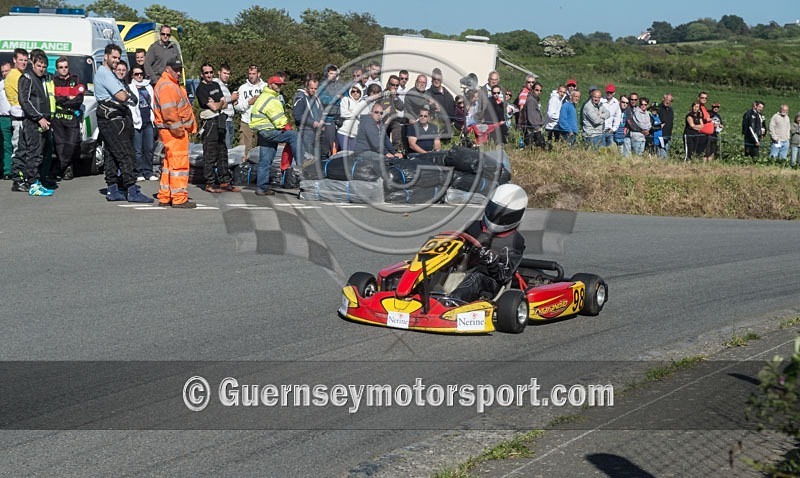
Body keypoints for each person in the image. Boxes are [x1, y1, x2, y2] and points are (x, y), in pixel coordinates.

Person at [450, 183, 527, 303]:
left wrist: (491, 260)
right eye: (495, 211)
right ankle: (415, 295)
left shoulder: (515, 241)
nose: (497, 218)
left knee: (477, 277)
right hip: (463, 272)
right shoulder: (474, 227)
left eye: (504, 215)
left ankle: (450, 303)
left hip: (490, 282)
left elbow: (504, 276)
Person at [95, 48, 151, 203]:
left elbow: (128, 96)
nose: (116, 60)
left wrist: (126, 96)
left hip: (113, 117)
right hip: (112, 118)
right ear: (106, 56)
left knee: (112, 155)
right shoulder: (105, 73)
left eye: (118, 58)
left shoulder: (109, 73)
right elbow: (122, 95)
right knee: (126, 154)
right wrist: (126, 95)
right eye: (114, 57)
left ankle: (113, 189)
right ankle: (132, 190)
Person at [153, 58, 197, 208]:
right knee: (179, 164)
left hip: (171, 131)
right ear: (167, 69)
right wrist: (179, 131)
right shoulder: (167, 86)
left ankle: (165, 196)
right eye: (175, 69)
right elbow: (170, 114)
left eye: (180, 69)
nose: (178, 72)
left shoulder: (169, 84)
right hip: (174, 132)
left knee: (170, 164)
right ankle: (179, 198)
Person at [250, 75, 298, 196]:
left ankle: (262, 188)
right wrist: (287, 127)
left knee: (265, 161)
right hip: (268, 130)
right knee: (293, 136)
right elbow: (279, 120)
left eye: (281, 85)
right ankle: (301, 162)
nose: (279, 87)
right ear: (270, 84)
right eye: (277, 84)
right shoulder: (272, 99)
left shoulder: (263, 96)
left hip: (262, 131)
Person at [196, 62, 239, 193]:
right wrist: (220, 103)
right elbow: (214, 107)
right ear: (202, 75)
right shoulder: (201, 89)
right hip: (209, 122)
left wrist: (219, 103)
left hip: (220, 119)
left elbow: (224, 104)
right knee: (210, 152)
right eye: (206, 73)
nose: (209, 75)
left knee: (222, 151)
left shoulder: (215, 85)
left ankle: (224, 181)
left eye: (210, 72)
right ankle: (209, 183)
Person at [16, 50, 53, 196]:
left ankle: (39, 180)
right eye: (39, 66)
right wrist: (38, 118)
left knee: (42, 153)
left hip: (45, 121)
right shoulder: (27, 78)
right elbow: (24, 101)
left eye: (44, 66)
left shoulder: (44, 78)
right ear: (33, 63)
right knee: (34, 153)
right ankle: (32, 183)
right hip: (33, 122)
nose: (41, 69)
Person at [50, 56, 85, 182]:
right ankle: (67, 168)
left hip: (72, 117)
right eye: (61, 67)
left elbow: (79, 100)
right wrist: (68, 98)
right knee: (60, 145)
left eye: (65, 67)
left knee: (71, 144)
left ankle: (59, 167)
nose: (64, 70)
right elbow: (55, 99)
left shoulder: (76, 80)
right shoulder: (53, 81)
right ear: (57, 69)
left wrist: (63, 100)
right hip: (58, 118)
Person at [128, 64, 157, 181]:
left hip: (148, 120)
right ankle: (138, 172)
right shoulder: (130, 87)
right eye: (136, 74)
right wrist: (134, 119)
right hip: (137, 122)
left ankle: (148, 171)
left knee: (149, 148)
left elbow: (153, 103)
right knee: (138, 150)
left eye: (141, 74)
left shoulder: (148, 87)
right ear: (132, 75)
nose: (139, 76)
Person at [235, 64, 267, 160]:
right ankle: (243, 170)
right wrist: (249, 102)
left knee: (261, 150)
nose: (251, 76)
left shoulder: (265, 87)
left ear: (259, 74)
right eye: (249, 73)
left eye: (253, 73)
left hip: (262, 122)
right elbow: (237, 107)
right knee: (244, 151)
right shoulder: (242, 88)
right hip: (246, 122)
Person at [7, 48, 28, 190]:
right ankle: (18, 179)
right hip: (18, 116)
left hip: (22, 116)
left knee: (23, 148)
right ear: (14, 60)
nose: (23, 63)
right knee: (19, 148)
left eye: (26, 60)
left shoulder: (20, 74)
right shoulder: (15, 75)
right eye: (21, 60)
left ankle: (22, 177)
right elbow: (22, 97)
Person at [292, 76, 323, 162]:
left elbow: (319, 111)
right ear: (307, 87)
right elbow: (297, 115)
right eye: (311, 88)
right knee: (308, 157)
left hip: (316, 131)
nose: (313, 90)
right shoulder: (300, 97)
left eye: (316, 88)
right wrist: (312, 123)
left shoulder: (316, 98)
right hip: (306, 131)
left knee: (317, 157)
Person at [214, 63, 238, 149]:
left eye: (228, 74)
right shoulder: (216, 84)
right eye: (224, 73)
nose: (226, 76)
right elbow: (219, 100)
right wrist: (231, 98)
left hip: (230, 120)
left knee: (229, 145)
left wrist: (233, 102)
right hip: (224, 120)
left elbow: (226, 101)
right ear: (219, 72)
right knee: (225, 147)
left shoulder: (225, 86)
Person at [337, 84, 365, 151]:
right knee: (345, 155)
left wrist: (351, 112)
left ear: (361, 92)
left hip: (356, 134)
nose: (355, 93)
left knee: (352, 155)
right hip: (343, 132)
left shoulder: (363, 103)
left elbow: (364, 117)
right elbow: (343, 114)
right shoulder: (345, 100)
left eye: (358, 91)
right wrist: (357, 113)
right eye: (353, 91)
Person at [522, 81, 545, 148]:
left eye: (540, 91)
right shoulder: (531, 100)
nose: (538, 92)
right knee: (538, 147)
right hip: (533, 129)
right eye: (537, 90)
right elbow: (531, 116)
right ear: (532, 89)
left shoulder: (535, 99)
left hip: (535, 127)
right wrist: (536, 127)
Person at [0, 62, 11, 180]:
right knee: (6, 145)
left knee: (18, 145)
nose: (4, 73)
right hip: (3, 118)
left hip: (16, 117)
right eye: (2, 71)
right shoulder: (0, 85)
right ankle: (7, 170)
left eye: (6, 71)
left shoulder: (17, 83)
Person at [656, 93, 675, 158]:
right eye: (666, 99)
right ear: (663, 99)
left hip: (668, 135)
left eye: (670, 100)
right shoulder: (658, 108)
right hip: (660, 135)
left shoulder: (670, 110)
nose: (668, 102)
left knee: (666, 154)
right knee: (662, 155)